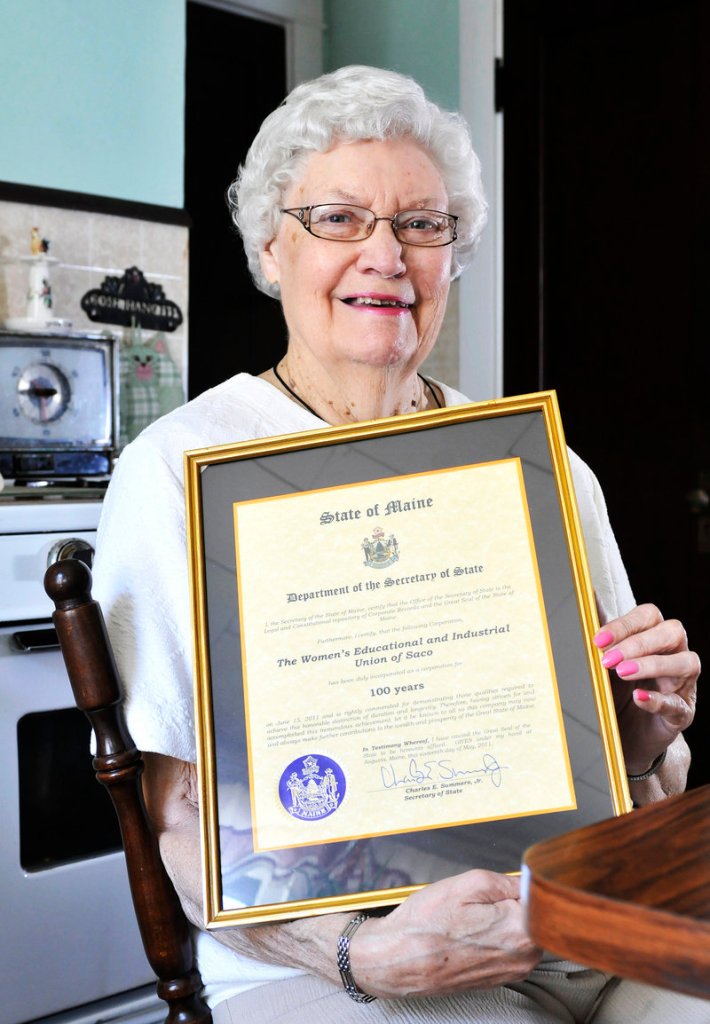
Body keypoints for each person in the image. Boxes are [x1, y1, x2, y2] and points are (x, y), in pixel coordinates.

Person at [92, 65, 702, 1022]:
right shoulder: (181, 470)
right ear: (269, 246)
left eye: (422, 224)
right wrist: (361, 953)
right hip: (328, 954)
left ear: (452, 256)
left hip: (586, 924)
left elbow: (644, 783)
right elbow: (181, 821)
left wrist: (643, 730)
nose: (386, 255)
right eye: (338, 219)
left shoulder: (534, 465)